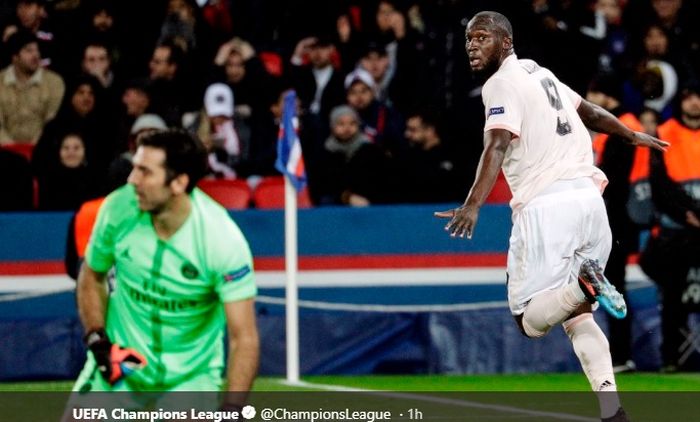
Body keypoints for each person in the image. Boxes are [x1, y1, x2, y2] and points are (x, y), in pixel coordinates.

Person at [434, 12, 668, 422]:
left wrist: (472, 204)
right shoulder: (539, 73)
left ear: (506, 42)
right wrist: (629, 134)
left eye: (482, 37)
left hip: (548, 205)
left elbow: (497, 144)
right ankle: (612, 410)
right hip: (591, 204)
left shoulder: (501, 83)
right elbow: (589, 112)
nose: (472, 46)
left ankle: (583, 287)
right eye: (469, 39)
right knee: (577, 318)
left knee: (529, 320)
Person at [64, 129, 259, 415]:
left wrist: (232, 409)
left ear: (179, 182)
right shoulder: (118, 207)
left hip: (191, 378)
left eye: (145, 172)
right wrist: (97, 340)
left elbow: (244, 338)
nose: (132, 180)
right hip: (119, 365)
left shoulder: (222, 239)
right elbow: (92, 275)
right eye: (134, 168)